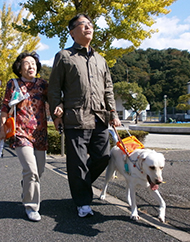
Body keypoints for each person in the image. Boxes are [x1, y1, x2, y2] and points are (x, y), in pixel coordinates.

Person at [48, 13, 121, 218]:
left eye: (90, 24)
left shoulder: (101, 59)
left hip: (100, 118)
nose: (88, 27)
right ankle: (82, 202)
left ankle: (80, 184)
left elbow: (108, 88)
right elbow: (54, 88)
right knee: (77, 163)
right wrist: (56, 112)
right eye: (83, 25)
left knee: (103, 157)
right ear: (72, 32)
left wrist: (113, 112)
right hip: (75, 118)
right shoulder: (64, 56)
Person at [0, 51, 48, 222]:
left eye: (33, 63)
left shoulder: (43, 84)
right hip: (21, 133)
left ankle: (27, 187)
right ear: (20, 68)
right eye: (27, 63)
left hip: (40, 133)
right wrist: (2, 129)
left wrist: (59, 110)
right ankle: (31, 206)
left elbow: (53, 102)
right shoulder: (13, 84)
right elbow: (5, 108)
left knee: (38, 171)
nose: (31, 65)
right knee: (31, 170)